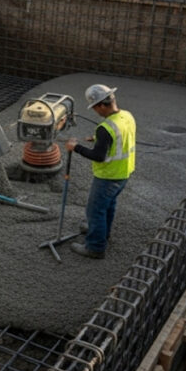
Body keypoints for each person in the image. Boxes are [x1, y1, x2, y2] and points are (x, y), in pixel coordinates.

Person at [65, 84, 136, 259]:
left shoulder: (105, 128)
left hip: (108, 176)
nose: (96, 112)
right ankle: (103, 233)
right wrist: (97, 139)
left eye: (95, 108)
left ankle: (95, 247)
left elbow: (98, 156)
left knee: (95, 210)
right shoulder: (126, 116)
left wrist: (76, 147)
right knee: (108, 206)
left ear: (101, 105)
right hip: (124, 173)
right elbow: (119, 136)